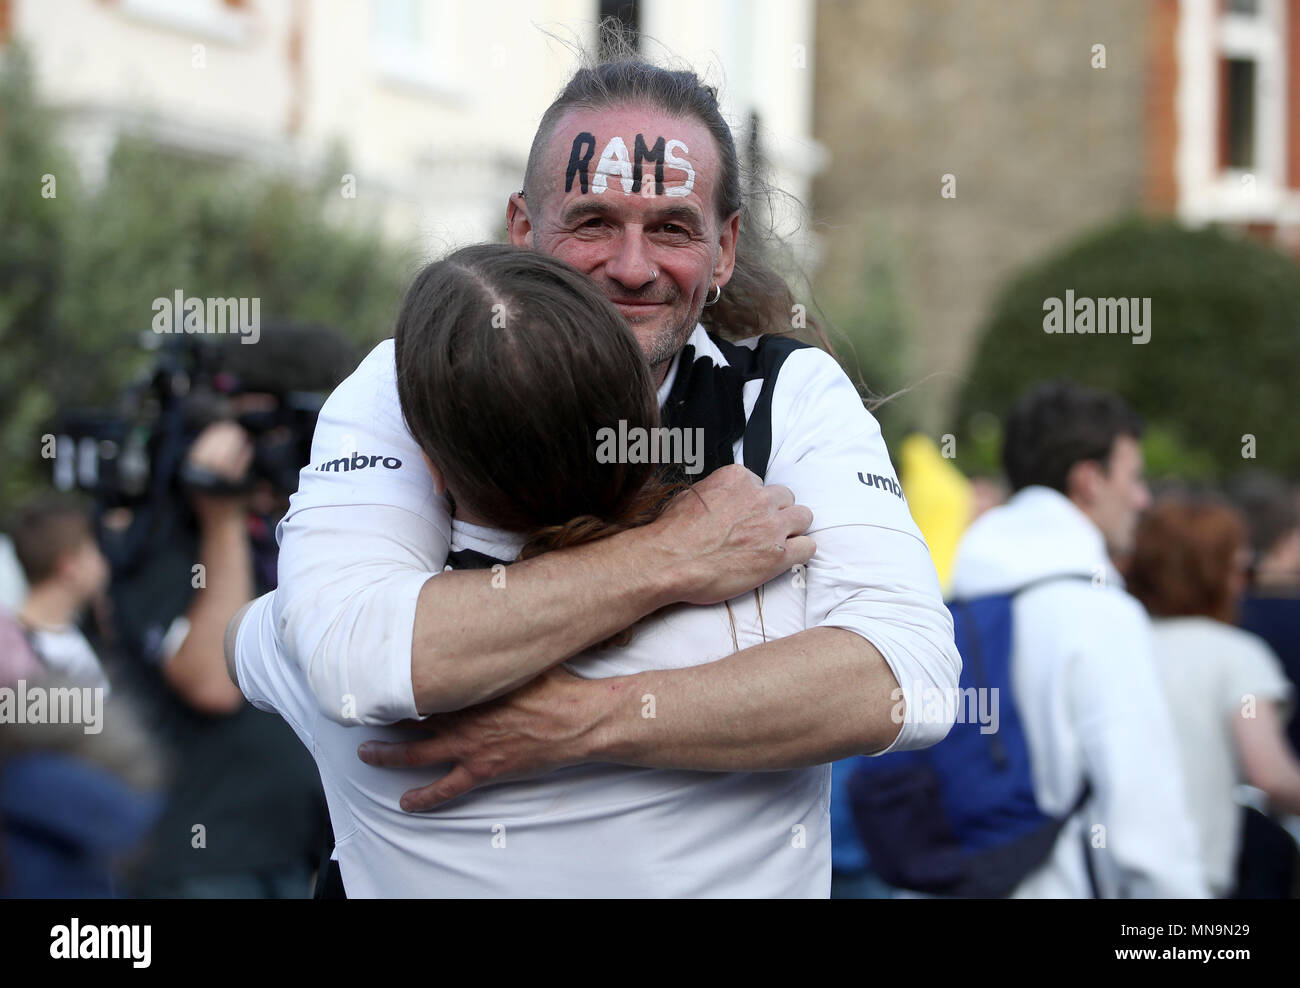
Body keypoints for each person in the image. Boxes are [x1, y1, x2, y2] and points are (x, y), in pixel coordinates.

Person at [239, 50, 960, 819]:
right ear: (522, 228)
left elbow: (907, 679)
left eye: (673, 229)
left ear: (725, 250)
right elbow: (353, 657)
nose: (631, 265)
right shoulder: (407, 380)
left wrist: (578, 723)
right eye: (593, 222)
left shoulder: (785, 395)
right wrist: (671, 557)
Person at [232, 243, 843, 896]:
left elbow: (244, 644)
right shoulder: (773, 618)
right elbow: (895, 685)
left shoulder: (323, 651)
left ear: (426, 460)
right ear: (644, 419)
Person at [107, 328, 348, 898]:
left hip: (312, 850)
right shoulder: (160, 535)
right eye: (253, 428)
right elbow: (214, 681)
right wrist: (222, 518)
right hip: (206, 861)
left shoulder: (318, 531)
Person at [948, 380, 1206, 897]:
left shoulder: (953, 597)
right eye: (1132, 477)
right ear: (1089, 480)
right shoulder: (1100, 612)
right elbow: (1144, 820)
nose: (1142, 498)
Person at [1126, 494, 1300, 897]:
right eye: (1237, 567)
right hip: (1192, 876)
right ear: (1213, 573)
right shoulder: (1236, 654)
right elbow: (1269, 773)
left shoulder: (1120, 643)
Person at [7, 497, 111, 692]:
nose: (102, 563)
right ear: (69, 567)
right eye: (93, 551)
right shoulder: (16, 659)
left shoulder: (80, 633)